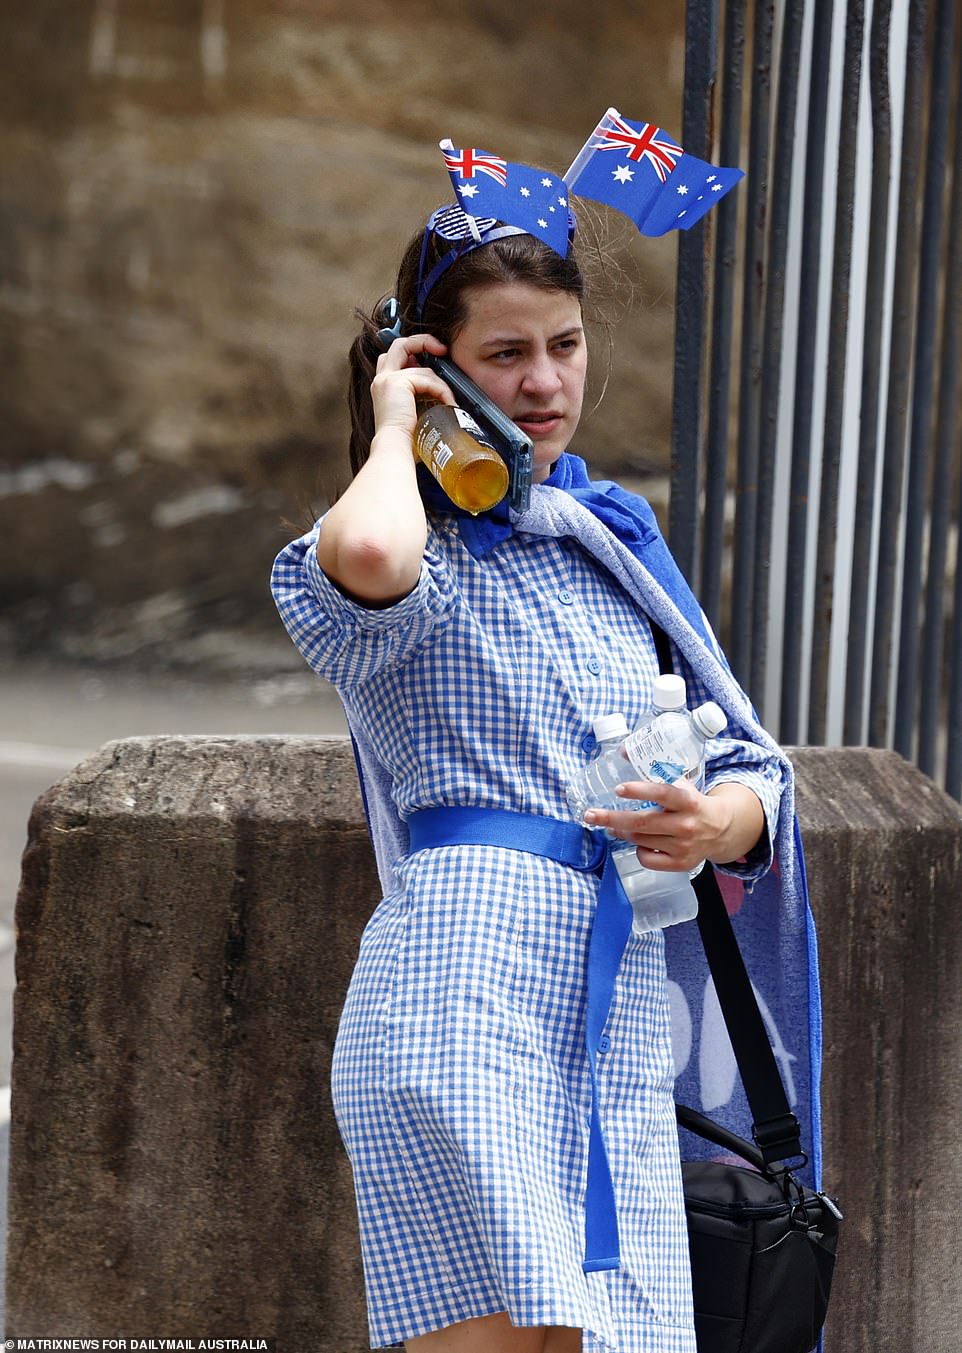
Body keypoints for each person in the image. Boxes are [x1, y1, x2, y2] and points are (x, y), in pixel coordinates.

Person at [271, 194, 807, 1353]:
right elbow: (366, 553)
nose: (544, 382)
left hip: (605, 1015)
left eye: (562, 345)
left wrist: (711, 818)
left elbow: (753, 762)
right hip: (457, 999)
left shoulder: (608, 543)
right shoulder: (402, 543)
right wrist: (390, 431)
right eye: (501, 354)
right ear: (429, 363)